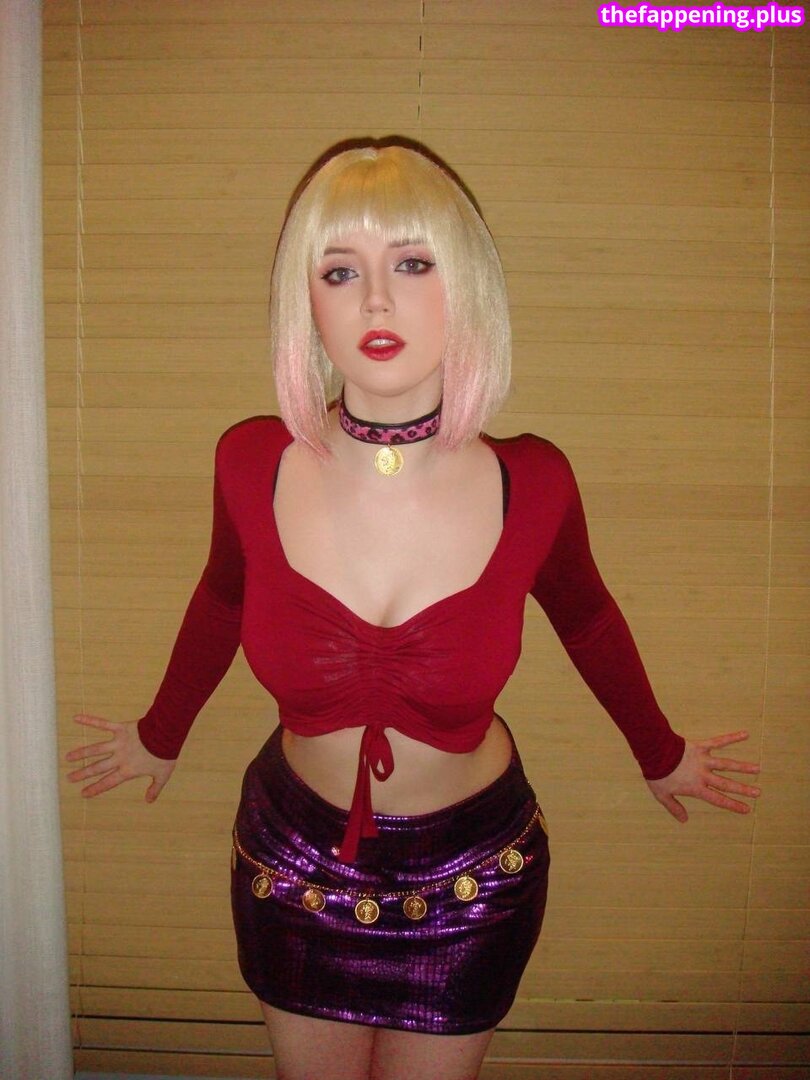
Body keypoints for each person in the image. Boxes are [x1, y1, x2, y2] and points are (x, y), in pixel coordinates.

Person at [66, 138, 762, 1080]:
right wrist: (160, 733)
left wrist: (661, 751)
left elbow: (589, 618)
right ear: (307, 302)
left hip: (471, 882)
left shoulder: (534, 483)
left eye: (412, 264)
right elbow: (222, 596)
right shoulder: (249, 463)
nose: (375, 302)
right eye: (340, 271)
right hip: (292, 869)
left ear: (465, 286)